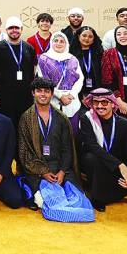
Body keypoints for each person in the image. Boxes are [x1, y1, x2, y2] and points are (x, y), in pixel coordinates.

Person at [16, 78, 82, 210]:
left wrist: (62, 171)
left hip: (59, 167)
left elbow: (67, 149)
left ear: (52, 94)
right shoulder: (26, 118)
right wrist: (43, 173)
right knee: (41, 201)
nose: (43, 94)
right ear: (33, 93)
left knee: (77, 199)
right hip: (36, 168)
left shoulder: (61, 118)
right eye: (39, 91)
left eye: (46, 91)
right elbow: (24, 152)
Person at [76, 88, 127, 211]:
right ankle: (98, 198)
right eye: (96, 102)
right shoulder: (86, 119)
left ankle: (106, 188)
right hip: (97, 162)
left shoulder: (126, 125)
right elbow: (93, 147)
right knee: (91, 158)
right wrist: (120, 166)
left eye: (104, 102)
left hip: (115, 165)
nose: (99, 106)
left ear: (113, 104)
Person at [0, 16, 37, 122]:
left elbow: (32, 73)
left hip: (25, 97)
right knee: (6, 126)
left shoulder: (29, 48)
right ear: (6, 30)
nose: (14, 30)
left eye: (17, 27)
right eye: (11, 28)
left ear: (21, 29)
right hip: (4, 98)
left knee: (25, 126)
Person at [37, 31, 82, 120]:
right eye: (56, 41)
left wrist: (72, 94)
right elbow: (43, 80)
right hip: (52, 100)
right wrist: (60, 96)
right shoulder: (44, 58)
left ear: (66, 44)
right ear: (51, 42)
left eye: (62, 41)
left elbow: (80, 79)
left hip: (71, 102)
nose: (59, 43)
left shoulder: (73, 59)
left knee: (71, 131)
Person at [72, 26, 104, 99]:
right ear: (78, 36)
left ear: (94, 39)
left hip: (98, 94)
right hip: (78, 95)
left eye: (90, 36)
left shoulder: (99, 54)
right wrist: (80, 96)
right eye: (84, 36)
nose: (87, 39)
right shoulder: (71, 55)